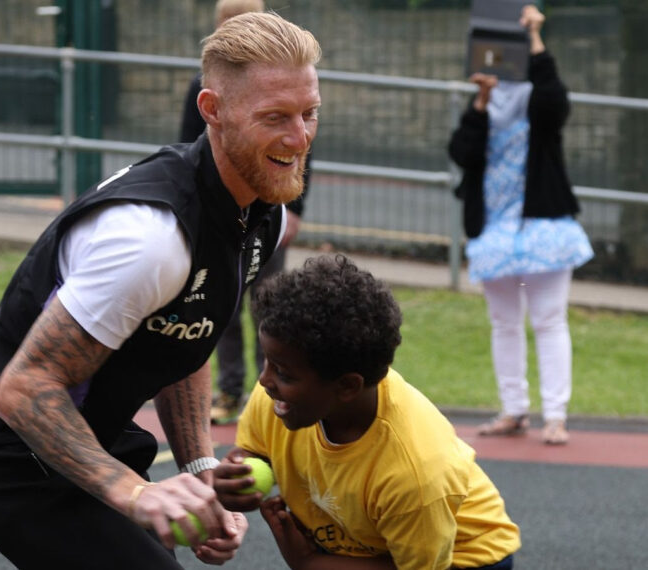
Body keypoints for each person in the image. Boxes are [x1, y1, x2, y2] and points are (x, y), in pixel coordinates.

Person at [0, 11, 321, 569]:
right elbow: (24, 387)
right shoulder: (151, 239)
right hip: (1, 453)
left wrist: (197, 470)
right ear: (211, 111)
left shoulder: (263, 214)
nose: (299, 137)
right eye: (275, 117)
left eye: (310, 114)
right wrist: (135, 491)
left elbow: (186, 334)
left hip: (92, 437)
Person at [213, 254, 521, 570]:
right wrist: (239, 475)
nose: (264, 381)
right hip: (366, 542)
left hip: (465, 559)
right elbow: (256, 450)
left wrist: (310, 562)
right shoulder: (283, 397)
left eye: (283, 372)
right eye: (268, 362)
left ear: (347, 386)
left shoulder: (415, 472)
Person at [448, 4, 593, 445]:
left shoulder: (539, 99)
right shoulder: (484, 104)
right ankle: (514, 410)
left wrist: (534, 38)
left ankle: (555, 416)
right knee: (504, 323)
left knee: (549, 320)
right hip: (495, 232)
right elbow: (462, 153)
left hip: (543, 229)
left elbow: (556, 102)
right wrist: (481, 101)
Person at [179, 0, 313, 424]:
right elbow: (189, 146)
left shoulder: (288, 89)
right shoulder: (204, 90)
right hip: (216, 219)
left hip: (269, 210)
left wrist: (292, 206)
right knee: (219, 308)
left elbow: (302, 150)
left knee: (270, 307)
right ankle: (230, 390)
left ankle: (268, 393)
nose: (298, 134)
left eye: (309, 114)